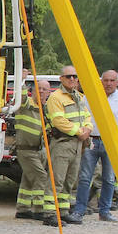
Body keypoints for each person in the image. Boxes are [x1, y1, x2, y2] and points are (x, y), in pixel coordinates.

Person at [73, 69, 118, 223]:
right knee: (85, 177)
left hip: (112, 142)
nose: (108, 83)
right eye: (106, 80)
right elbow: (82, 117)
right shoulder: (91, 97)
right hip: (92, 141)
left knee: (108, 178)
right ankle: (79, 210)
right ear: (101, 81)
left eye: (112, 80)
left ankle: (105, 211)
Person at [47, 65, 91, 225]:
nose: (72, 79)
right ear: (61, 79)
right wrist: (79, 131)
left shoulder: (79, 96)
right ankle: (50, 213)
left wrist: (87, 128)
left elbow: (87, 115)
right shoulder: (56, 97)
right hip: (63, 143)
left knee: (70, 180)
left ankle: (63, 211)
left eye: (74, 76)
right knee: (56, 179)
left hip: (77, 144)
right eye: (68, 76)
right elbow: (58, 121)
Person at [13, 77, 57, 223]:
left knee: (27, 179)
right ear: (32, 91)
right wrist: (22, 80)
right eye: (39, 88)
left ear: (49, 92)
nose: (42, 91)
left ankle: (23, 209)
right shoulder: (26, 104)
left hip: (39, 150)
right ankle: (39, 209)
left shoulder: (45, 109)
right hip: (26, 150)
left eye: (45, 89)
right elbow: (21, 95)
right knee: (41, 177)